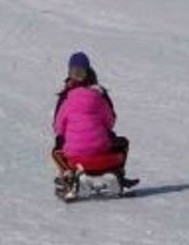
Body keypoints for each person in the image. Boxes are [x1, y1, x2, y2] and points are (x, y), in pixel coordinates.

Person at [51, 52, 136, 199]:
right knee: (122, 142)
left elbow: (58, 127)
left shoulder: (66, 97)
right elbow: (110, 122)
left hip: (75, 156)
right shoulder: (99, 94)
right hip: (102, 150)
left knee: (56, 150)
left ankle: (70, 180)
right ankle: (118, 177)